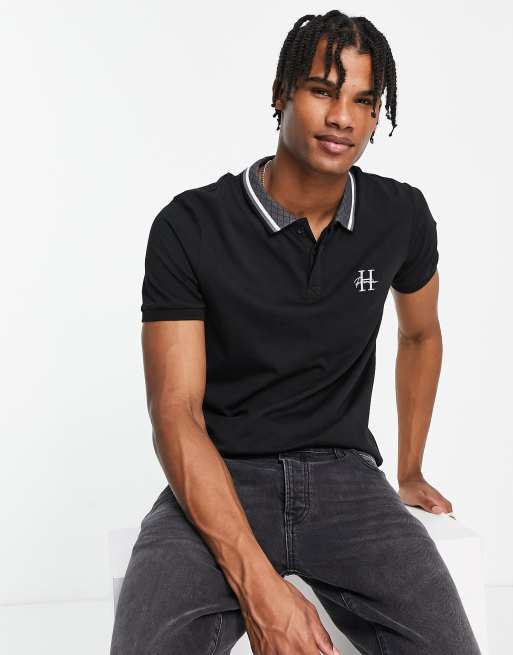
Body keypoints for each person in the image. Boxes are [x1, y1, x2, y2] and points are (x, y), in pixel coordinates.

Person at [110, 10, 482, 655]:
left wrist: (411, 467)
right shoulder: (190, 225)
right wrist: (261, 590)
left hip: (348, 480)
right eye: (322, 90)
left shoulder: (401, 215)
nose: (342, 118)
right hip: (220, 477)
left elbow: (421, 334)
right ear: (281, 92)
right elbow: (175, 413)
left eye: (364, 101)